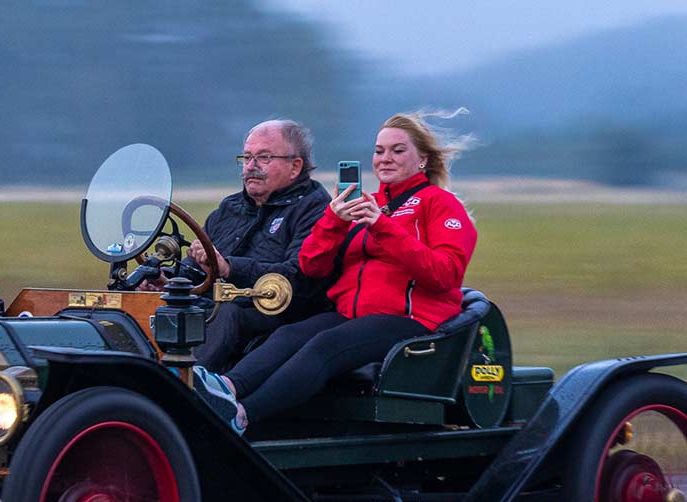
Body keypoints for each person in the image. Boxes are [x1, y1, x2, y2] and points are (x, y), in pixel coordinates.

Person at [194, 111, 477, 433]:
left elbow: (446, 274)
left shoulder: (440, 204)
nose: (385, 159)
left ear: (422, 159)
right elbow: (312, 266)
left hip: (410, 320)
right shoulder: (364, 205)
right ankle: (222, 389)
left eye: (398, 151)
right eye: (379, 150)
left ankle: (243, 416)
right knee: (289, 334)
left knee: (325, 345)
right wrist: (335, 220)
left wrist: (382, 227)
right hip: (352, 315)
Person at [188, 119, 332, 372]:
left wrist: (229, 268)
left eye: (264, 158)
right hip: (211, 311)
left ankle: (184, 388)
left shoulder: (315, 209)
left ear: (295, 166)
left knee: (229, 312)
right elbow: (195, 271)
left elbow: (298, 280)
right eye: (246, 157)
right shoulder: (228, 209)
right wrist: (167, 280)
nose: (251, 167)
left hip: (277, 318)